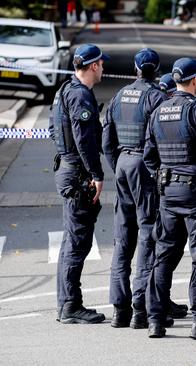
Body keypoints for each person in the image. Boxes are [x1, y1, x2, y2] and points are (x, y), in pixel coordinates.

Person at [144, 57, 196, 340]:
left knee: (164, 256)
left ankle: (155, 320)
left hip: (167, 193)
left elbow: (149, 157)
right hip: (195, 193)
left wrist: (165, 176)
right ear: (195, 80)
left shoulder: (159, 111)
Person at [103, 48, 182, 329]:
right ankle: (141, 308)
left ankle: (119, 309)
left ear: (136, 69)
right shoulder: (157, 97)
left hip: (123, 163)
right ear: (157, 68)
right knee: (148, 236)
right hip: (143, 169)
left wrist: (119, 165)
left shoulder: (119, 96)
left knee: (123, 238)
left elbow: (106, 140)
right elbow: (160, 139)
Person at [48, 44, 108, 324]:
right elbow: (85, 140)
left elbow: (52, 129)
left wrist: (66, 155)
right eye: (102, 64)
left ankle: (66, 303)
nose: (104, 68)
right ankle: (71, 305)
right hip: (78, 174)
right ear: (94, 66)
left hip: (67, 168)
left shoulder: (63, 91)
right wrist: (96, 175)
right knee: (77, 242)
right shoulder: (80, 96)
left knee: (71, 240)